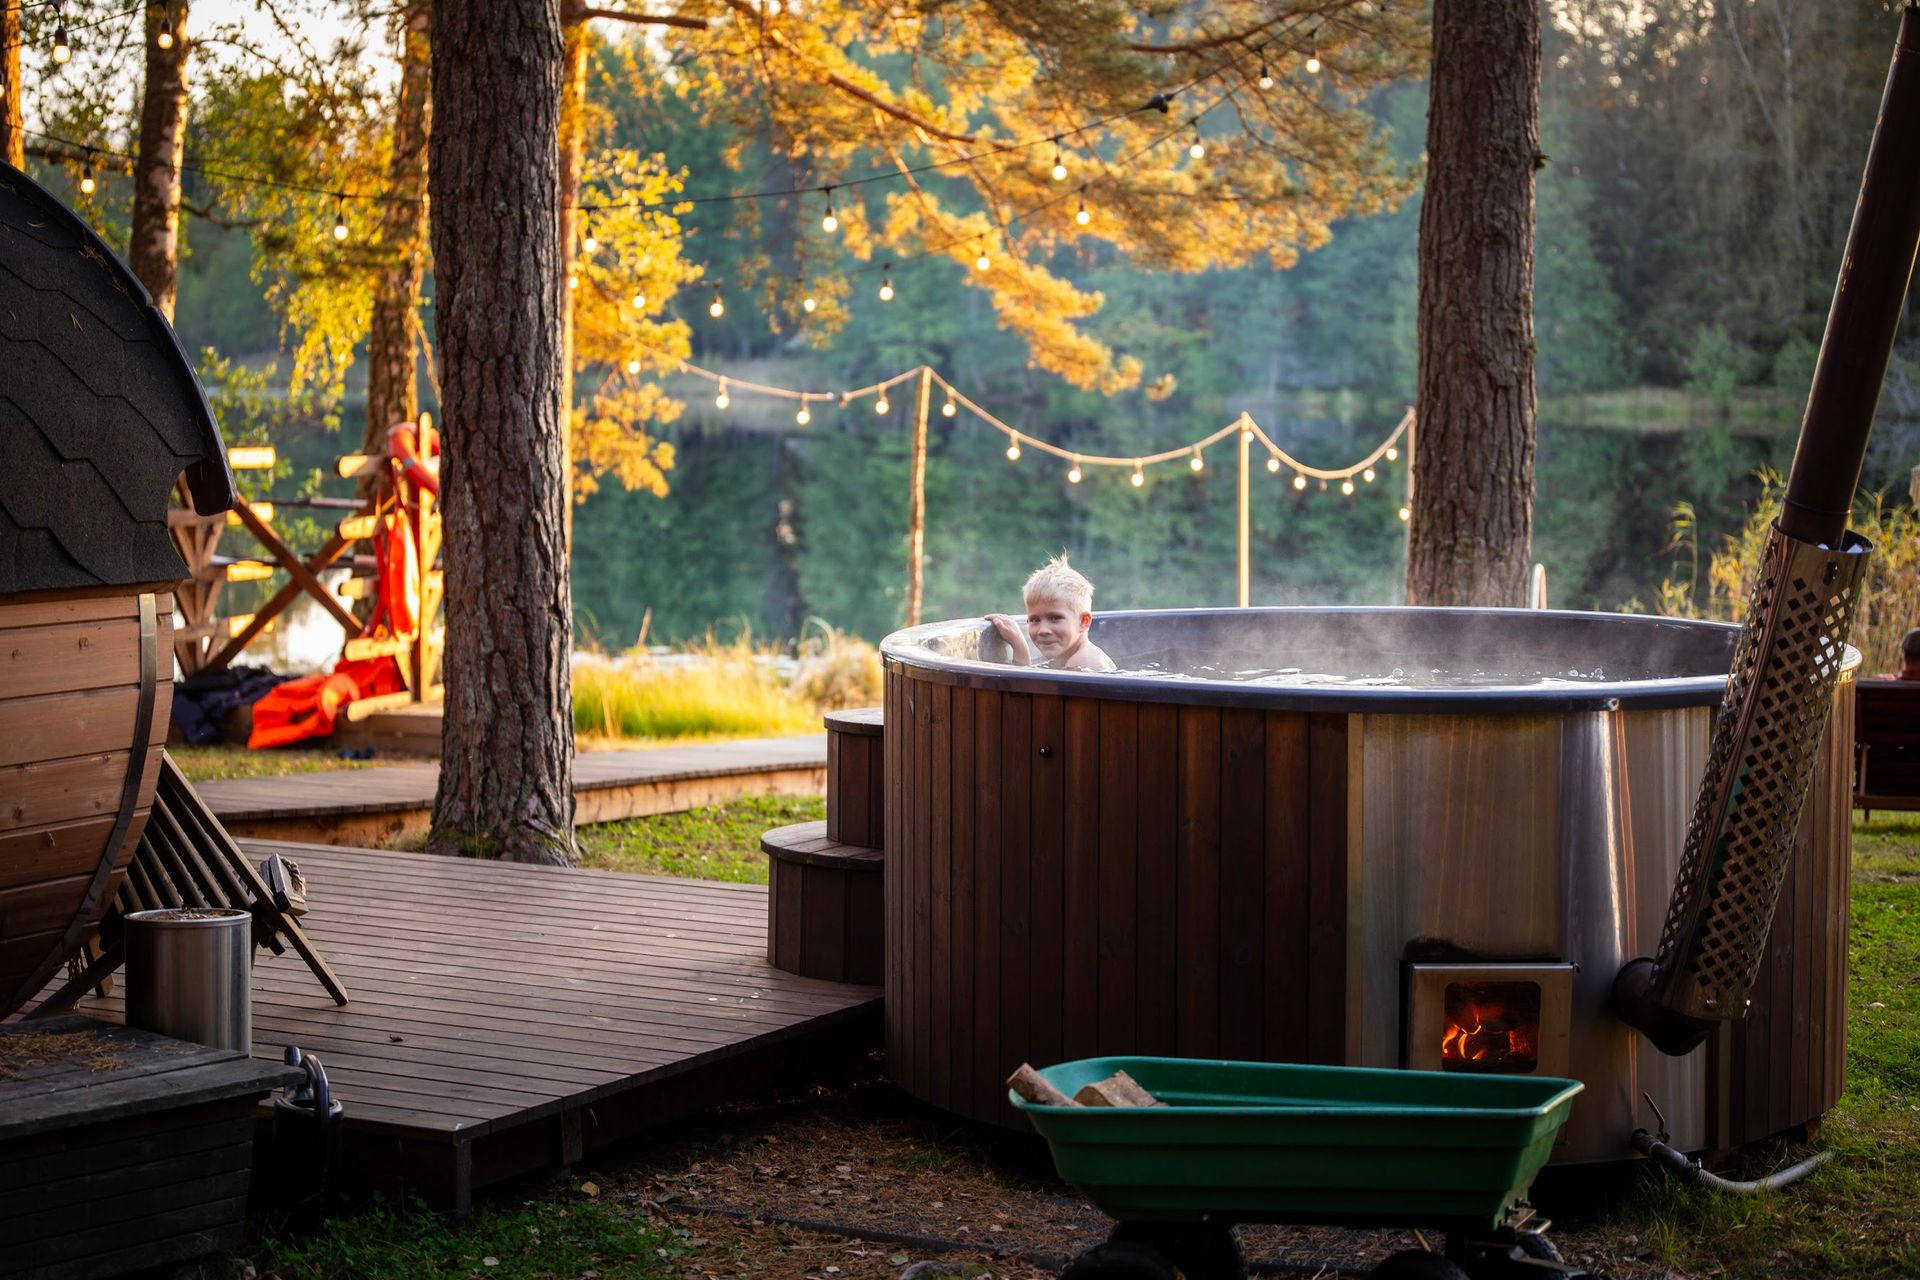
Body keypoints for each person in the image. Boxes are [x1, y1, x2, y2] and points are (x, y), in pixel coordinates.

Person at [984, 554, 1117, 672]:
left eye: (1055, 618)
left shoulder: (1082, 663)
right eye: (1035, 620)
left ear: (1084, 621)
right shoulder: (1067, 657)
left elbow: (1029, 698)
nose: (1043, 630)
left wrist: (1021, 649)